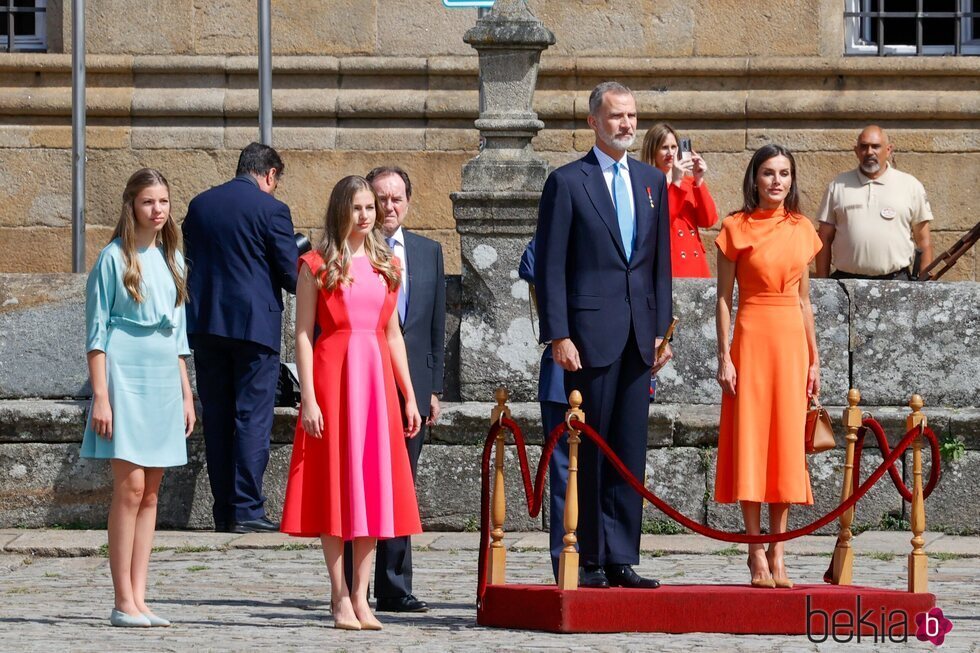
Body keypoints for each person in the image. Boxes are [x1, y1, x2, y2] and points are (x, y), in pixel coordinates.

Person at [534, 81, 673, 590]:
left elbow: (658, 265)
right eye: (616, 116)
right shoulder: (569, 182)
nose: (627, 125)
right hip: (588, 338)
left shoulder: (652, 182)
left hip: (639, 336)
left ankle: (621, 555)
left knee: (628, 448)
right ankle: (588, 555)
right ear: (594, 121)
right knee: (588, 449)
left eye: (632, 116)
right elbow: (551, 267)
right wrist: (558, 335)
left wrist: (664, 330)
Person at [280, 176, 423, 631]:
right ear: (341, 210)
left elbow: (392, 333)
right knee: (335, 488)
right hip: (333, 379)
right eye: (358, 207)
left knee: (373, 490)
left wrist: (410, 395)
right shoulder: (316, 264)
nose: (366, 215)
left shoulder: (388, 267)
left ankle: (362, 597)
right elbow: (303, 333)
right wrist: (309, 398)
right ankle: (338, 595)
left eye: (370, 207)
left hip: (376, 383)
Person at [81, 168, 195, 627]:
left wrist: (187, 395)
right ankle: (121, 598)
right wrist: (101, 397)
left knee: (151, 492)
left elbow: (180, 336)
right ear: (132, 206)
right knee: (128, 488)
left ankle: (141, 596)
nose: (158, 209)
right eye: (149, 201)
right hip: (125, 374)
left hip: (164, 377)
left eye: (164, 201)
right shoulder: (112, 258)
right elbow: (96, 335)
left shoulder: (174, 260)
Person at [714, 144, 821, 589]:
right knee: (752, 443)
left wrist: (816, 360)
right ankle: (755, 551)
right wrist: (724, 355)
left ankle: (780, 551)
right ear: (754, 178)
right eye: (768, 173)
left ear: (792, 180)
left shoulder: (802, 228)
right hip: (751, 340)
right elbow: (722, 298)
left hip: (791, 342)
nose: (777, 181)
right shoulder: (734, 227)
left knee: (785, 447)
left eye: (784, 173)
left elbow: (805, 301)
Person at [182, 143, 298, 534]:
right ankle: (248, 510)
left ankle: (224, 512)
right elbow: (291, 275)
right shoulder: (272, 210)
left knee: (217, 419)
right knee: (251, 417)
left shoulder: (200, 205)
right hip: (254, 329)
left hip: (206, 324)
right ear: (269, 175)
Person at [363, 165, 445, 614]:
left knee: (401, 486)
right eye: (381, 199)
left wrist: (432, 388)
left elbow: (435, 327)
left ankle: (394, 586)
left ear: (408, 202)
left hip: (414, 385)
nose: (388, 207)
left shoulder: (427, 251)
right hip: (367, 380)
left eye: (396, 199)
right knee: (365, 481)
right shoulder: (357, 251)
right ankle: (356, 585)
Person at [815, 125, 934, 280]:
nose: (869, 152)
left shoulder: (911, 186)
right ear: (856, 151)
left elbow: (924, 240)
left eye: (876, 146)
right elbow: (824, 239)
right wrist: (823, 283)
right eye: (864, 147)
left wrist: (925, 287)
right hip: (846, 282)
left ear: (889, 150)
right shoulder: (837, 186)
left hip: (897, 281)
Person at [518, 238, 568, 582]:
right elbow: (532, 263)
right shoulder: (551, 238)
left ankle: (609, 560)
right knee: (565, 473)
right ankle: (568, 562)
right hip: (563, 370)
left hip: (612, 365)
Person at [640, 122, 719, 278]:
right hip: (671, 262)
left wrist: (699, 180)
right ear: (652, 150)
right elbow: (660, 222)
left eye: (674, 147)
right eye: (664, 148)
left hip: (696, 264)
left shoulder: (689, 182)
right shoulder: (645, 183)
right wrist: (675, 182)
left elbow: (708, 220)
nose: (670, 153)